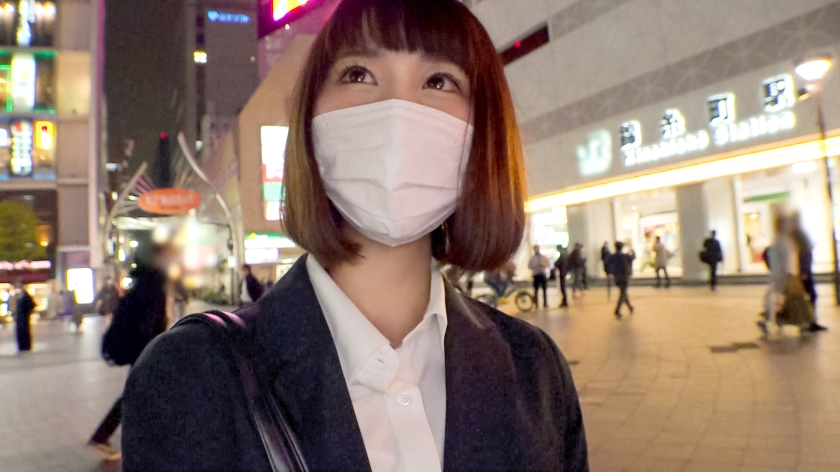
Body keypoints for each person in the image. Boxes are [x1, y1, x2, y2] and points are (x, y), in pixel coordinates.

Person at [122, 2, 588, 470]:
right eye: (359, 74)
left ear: (483, 133)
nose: (397, 111)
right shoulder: (191, 376)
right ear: (309, 123)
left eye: (439, 81)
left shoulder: (536, 370)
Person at [89, 245, 171, 461]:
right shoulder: (153, 288)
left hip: (140, 350)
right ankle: (104, 436)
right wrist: (156, 349)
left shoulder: (142, 285)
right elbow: (148, 325)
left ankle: (138, 437)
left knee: (142, 394)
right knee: (140, 394)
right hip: (144, 351)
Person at [759, 212, 814, 335]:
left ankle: (776, 320)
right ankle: (801, 323)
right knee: (794, 300)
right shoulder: (781, 241)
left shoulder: (786, 240)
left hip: (789, 274)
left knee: (790, 301)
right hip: (787, 275)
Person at [609, 242, 636, 318]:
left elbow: (609, 265)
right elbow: (633, 257)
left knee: (623, 293)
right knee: (622, 293)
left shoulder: (613, 257)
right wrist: (632, 250)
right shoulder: (625, 256)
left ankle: (630, 307)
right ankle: (617, 310)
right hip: (624, 277)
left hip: (617, 277)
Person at [13, 281, 36, 352]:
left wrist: (27, 313)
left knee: (25, 332)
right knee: (20, 332)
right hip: (20, 318)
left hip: (24, 318)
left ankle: (25, 346)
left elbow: (32, 305)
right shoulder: (18, 295)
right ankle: (22, 346)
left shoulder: (26, 296)